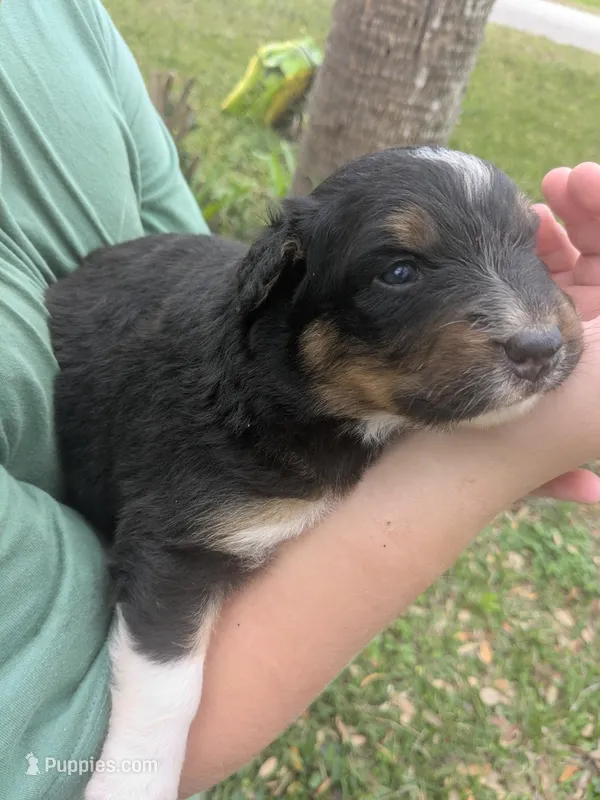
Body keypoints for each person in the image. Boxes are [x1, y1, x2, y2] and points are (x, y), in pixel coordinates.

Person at [1, 1, 599, 798]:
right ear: (282, 302)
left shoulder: (65, 16)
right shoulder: (234, 451)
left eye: (515, 245)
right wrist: (142, 763)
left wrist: (477, 433)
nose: (529, 325)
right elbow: (171, 566)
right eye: (398, 272)